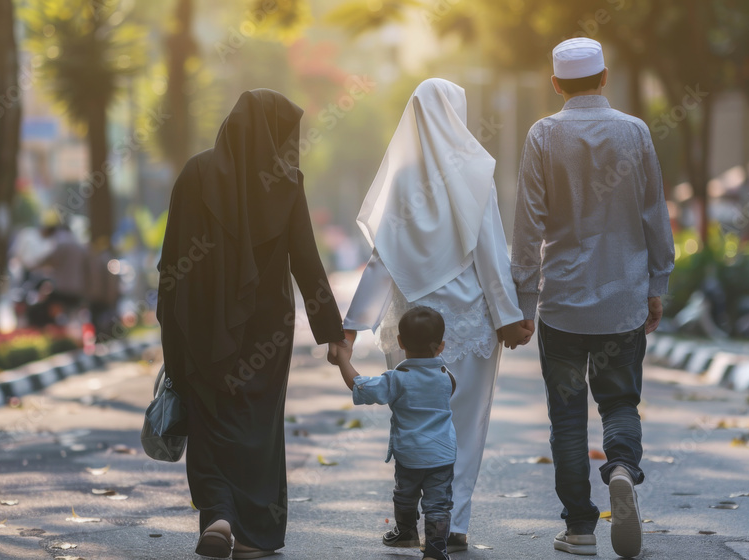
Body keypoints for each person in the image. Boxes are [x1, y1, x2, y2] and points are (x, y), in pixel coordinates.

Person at [334, 78, 532, 551]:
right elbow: (489, 251)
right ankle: (453, 524)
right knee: (465, 425)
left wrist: (351, 326)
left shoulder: (401, 178)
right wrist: (509, 314)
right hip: (467, 322)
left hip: (409, 325)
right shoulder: (475, 172)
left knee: (414, 419)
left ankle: (409, 520)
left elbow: (383, 260)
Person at [157, 89, 345, 559]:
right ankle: (253, 535)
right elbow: (306, 262)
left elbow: (171, 264)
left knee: (209, 423)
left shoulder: (195, 173)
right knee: (256, 429)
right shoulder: (287, 183)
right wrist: (332, 332)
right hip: (266, 334)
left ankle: (218, 513)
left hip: (200, 326)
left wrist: (170, 332)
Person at [510, 38, 675, 558]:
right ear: (605, 77)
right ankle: (622, 467)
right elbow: (654, 214)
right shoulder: (635, 132)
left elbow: (527, 225)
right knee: (620, 401)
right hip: (623, 300)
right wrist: (657, 284)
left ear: (556, 83)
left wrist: (523, 301)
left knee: (566, 415)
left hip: (561, 305)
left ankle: (580, 528)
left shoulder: (542, 135)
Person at [332, 306, 457, 560]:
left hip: (410, 453)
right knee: (439, 503)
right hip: (442, 455)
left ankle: (406, 532)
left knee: (405, 495)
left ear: (400, 342)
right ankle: (436, 547)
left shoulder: (397, 379)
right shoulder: (447, 377)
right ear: (441, 346)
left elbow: (360, 387)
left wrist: (343, 360)